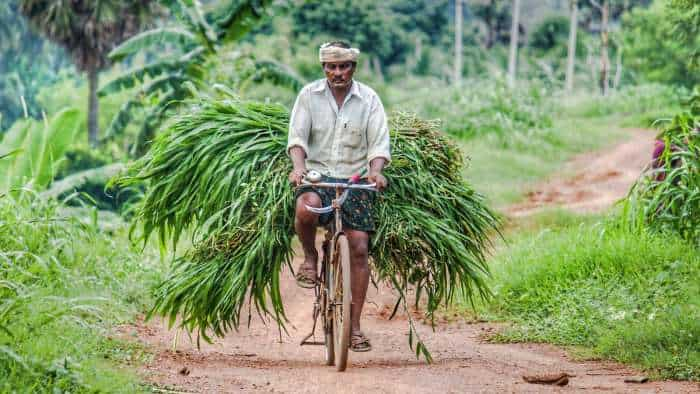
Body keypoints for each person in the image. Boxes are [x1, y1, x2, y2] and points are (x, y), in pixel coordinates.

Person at [286, 41, 391, 352]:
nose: (337, 73)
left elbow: (378, 143)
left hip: (354, 180)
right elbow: (297, 138)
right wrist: (299, 169)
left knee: (359, 245)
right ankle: (309, 256)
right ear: (324, 69)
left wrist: (376, 170)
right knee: (306, 208)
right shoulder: (308, 95)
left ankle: (355, 327)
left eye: (343, 66)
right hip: (318, 176)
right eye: (331, 67)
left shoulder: (369, 99)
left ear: (353, 68)